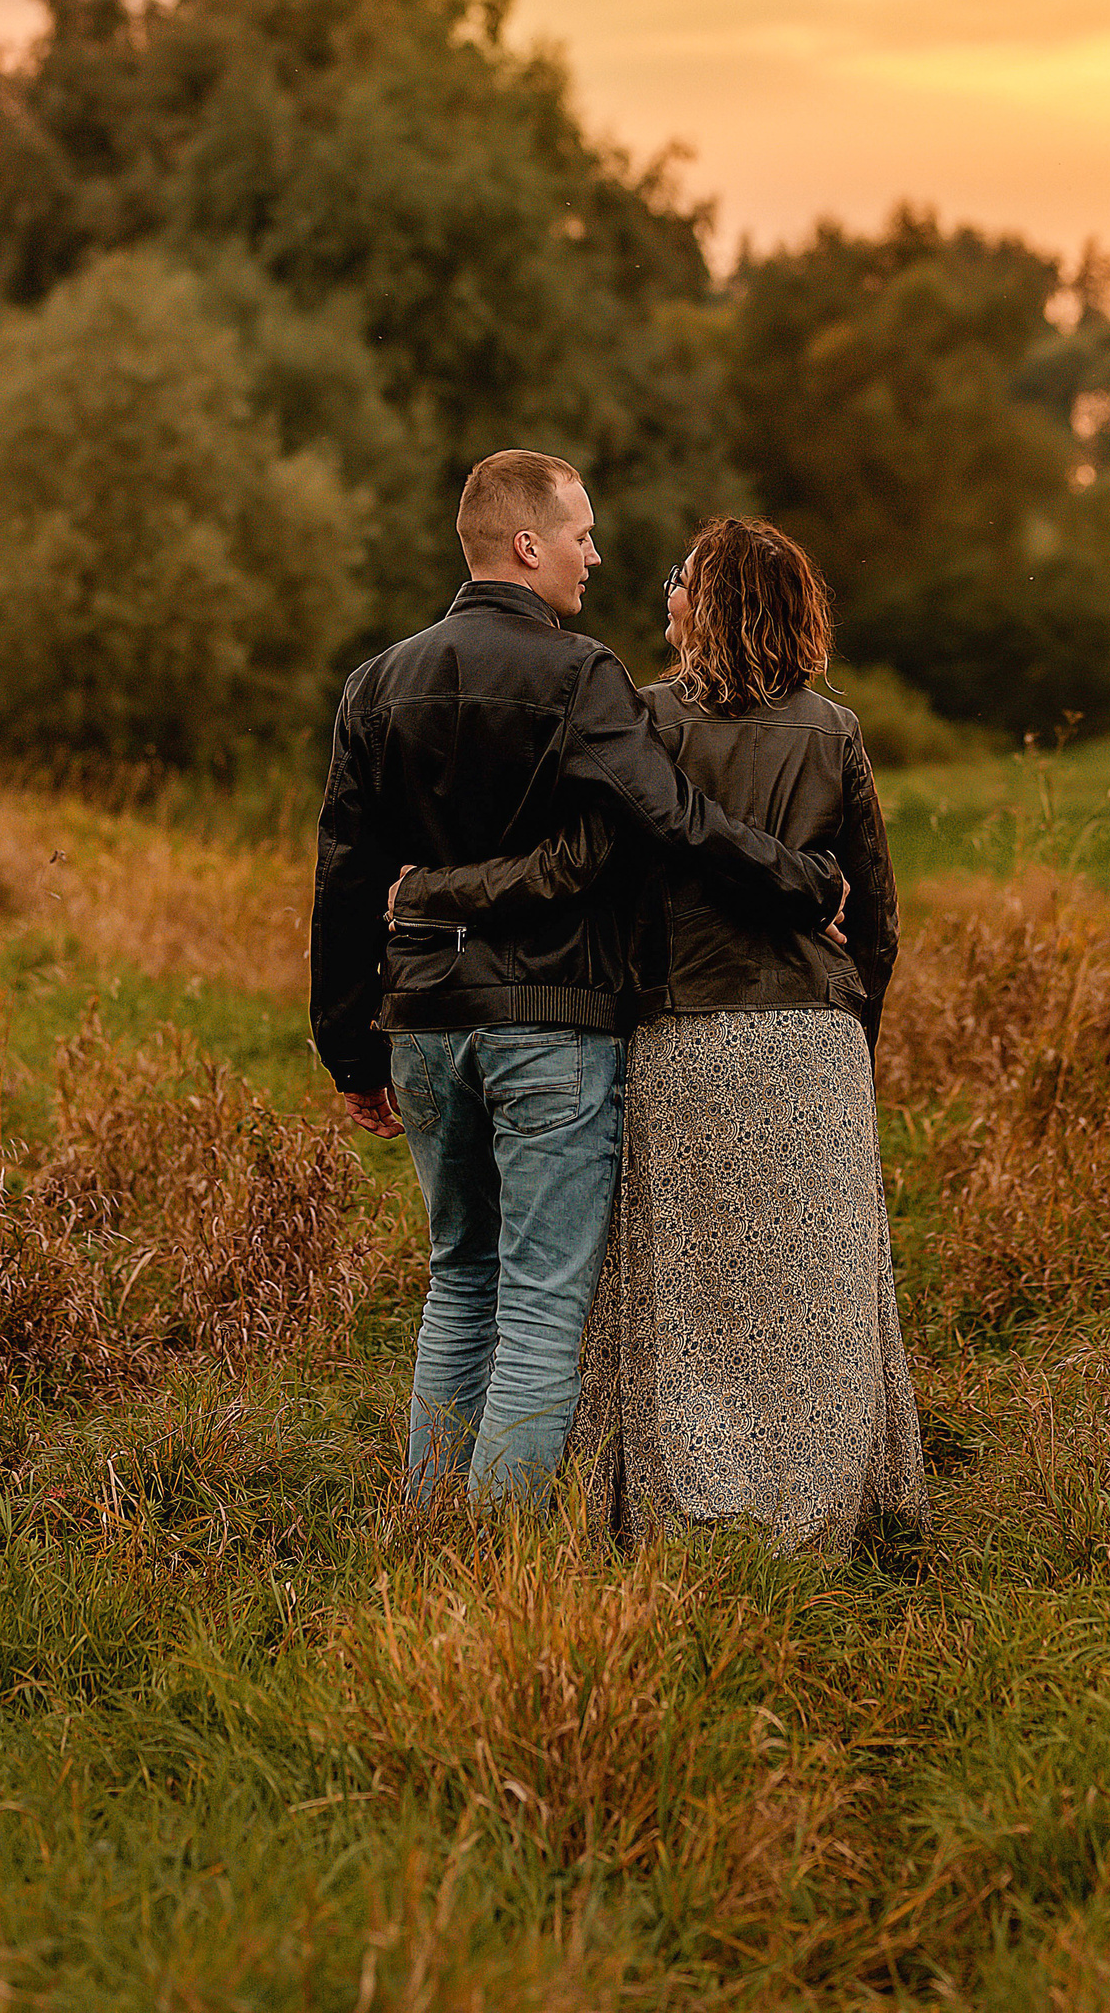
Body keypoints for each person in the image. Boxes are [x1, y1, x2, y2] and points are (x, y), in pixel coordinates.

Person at [309, 452, 844, 1509]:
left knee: (458, 1281)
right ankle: (497, 1558)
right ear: (527, 545)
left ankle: (429, 1530)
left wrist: (349, 1047)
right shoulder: (581, 674)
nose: (594, 556)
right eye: (581, 535)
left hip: (423, 1023)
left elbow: (344, 876)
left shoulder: (376, 682)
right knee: (542, 1306)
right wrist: (802, 882)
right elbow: (670, 821)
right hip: (551, 1024)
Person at [400, 516, 927, 1554]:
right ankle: (821, 1519)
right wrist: (850, 1037)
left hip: (683, 1036)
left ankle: (679, 1515)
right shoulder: (836, 730)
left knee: (680, 1298)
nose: (666, 592)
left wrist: (431, 893)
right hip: (812, 1049)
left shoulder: (640, 721)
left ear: (713, 604)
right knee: (814, 1303)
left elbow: (574, 869)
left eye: (682, 578)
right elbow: (877, 919)